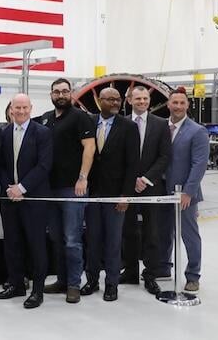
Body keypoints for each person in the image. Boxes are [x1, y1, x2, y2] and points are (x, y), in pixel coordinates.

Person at [80, 88, 139, 302]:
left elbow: (133, 164)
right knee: (92, 239)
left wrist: (125, 195)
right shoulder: (89, 122)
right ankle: (92, 280)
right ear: (99, 101)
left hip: (116, 195)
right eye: (110, 99)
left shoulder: (129, 127)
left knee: (113, 242)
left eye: (118, 99)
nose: (115, 102)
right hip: (92, 194)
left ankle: (111, 284)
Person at [40, 78, 96, 303]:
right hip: (49, 189)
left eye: (64, 91)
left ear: (71, 93)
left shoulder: (81, 118)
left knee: (72, 238)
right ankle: (61, 280)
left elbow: (89, 147)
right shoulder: (46, 118)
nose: (60, 95)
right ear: (51, 94)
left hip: (72, 189)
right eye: (56, 92)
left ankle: (74, 284)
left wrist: (83, 178)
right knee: (56, 237)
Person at [0, 93, 52, 309]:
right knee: (12, 243)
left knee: (36, 245)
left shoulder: (42, 133)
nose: (20, 112)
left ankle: (37, 290)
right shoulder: (4, 132)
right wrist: (9, 188)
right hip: (10, 199)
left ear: (30, 108)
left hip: (33, 199)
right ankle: (16, 283)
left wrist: (22, 188)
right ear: (11, 109)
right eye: (16, 108)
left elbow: (44, 165)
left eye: (24, 108)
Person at [120, 86, 170, 295]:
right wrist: (130, 181)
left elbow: (164, 157)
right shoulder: (122, 124)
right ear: (130, 100)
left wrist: (146, 179)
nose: (142, 101)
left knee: (152, 232)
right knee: (128, 230)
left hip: (151, 187)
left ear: (149, 101)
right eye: (138, 98)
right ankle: (130, 271)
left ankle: (150, 274)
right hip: (126, 187)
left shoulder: (161, 125)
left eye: (145, 98)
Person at [161, 89, 208, 293]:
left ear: (187, 105)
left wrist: (188, 192)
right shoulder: (162, 127)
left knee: (189, 235)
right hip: (162, 191)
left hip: (185, 194)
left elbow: (199, 164)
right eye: (175, 103)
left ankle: (193, 275)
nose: (178, 106)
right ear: (168, 105)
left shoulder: (197, 131)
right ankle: (164, 267)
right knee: (165, 232)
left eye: (182, 103)